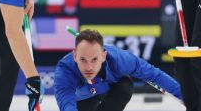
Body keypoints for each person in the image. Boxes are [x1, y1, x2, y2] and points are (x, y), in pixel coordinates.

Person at [54, 29, 182, 111]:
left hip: (109, 90)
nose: (89, 67)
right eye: (83, 60)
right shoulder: (65, 70)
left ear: (103, 56)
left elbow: (155, 75)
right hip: (83, 100)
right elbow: (66, 103)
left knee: (125, 86)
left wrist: (188, 98)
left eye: (94, 60)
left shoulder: (120, 59)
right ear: (75, 56)